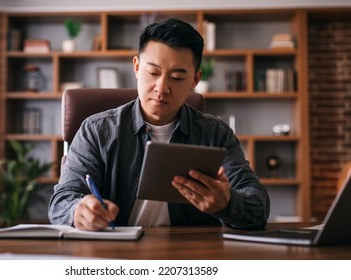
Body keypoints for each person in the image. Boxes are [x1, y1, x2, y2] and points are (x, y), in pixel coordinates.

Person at [48, 18, 270, 231]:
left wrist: (227, 204)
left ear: (195, 80)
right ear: (136, 67)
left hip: (192, 256)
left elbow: (258, 204)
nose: (162, 88)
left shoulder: (216, 134)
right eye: (153, 72)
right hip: (116, 254)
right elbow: (61, 202)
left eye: (177, 77)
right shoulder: (96, 131)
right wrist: (78, 211)